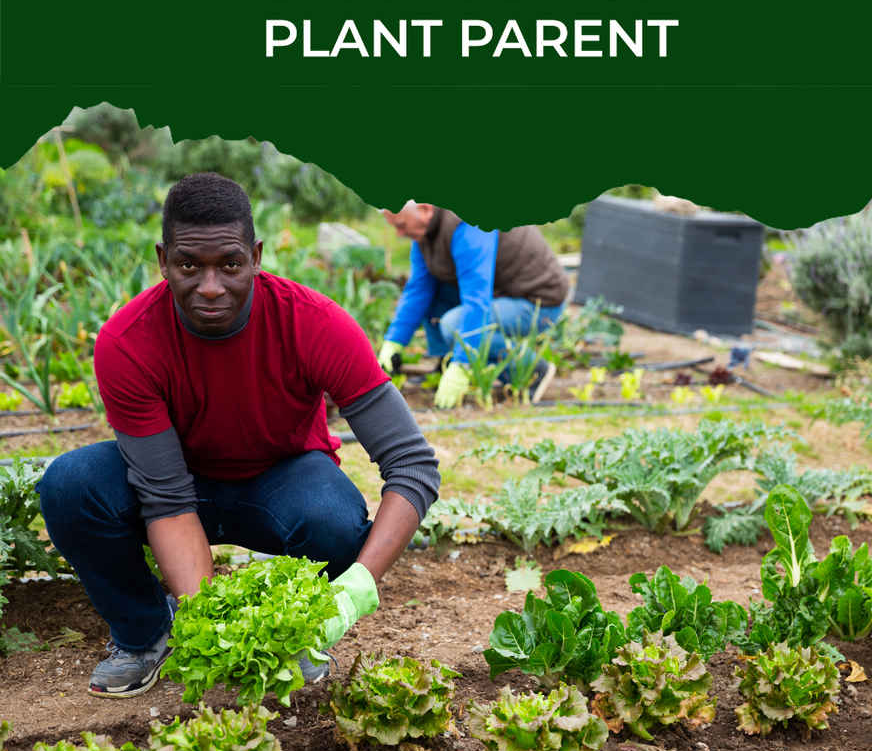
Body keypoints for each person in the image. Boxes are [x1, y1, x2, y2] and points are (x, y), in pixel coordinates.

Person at [37, 172, 440, 698]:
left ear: (256, 256)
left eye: (230, 264)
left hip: (280, 480)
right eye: (188, 265)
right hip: (176, 483)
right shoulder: (129, 341)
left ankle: (301, 632)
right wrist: (212, 626)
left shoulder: (315, 324)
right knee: (70, 485)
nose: (210, 286)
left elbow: (413, 464)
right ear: (163, 260)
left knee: (334, 519)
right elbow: (166, 496)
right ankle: (145, 633)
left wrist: (359, 587)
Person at [378, 201, 570, 408]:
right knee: (433, 294)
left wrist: (463, 363)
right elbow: (419, 288)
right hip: (500, 293)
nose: (399, 234)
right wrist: (394, 341)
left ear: (425, 209)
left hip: (537, 301)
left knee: (453, 325)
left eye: (401, 225)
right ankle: (445, 363)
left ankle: (532, 370)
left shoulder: (469, 223)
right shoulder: (426, 233)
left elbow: (477, 299)